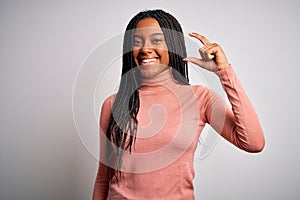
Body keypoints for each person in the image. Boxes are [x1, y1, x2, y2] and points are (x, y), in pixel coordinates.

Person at [92, 9, 265, 200]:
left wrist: (224, 72)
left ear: (172, 45)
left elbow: (253, 143)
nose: (145, 49)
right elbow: (104, 177)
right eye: (136, 42)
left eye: (156, 40)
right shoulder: (113, 104)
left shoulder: (200, 98)